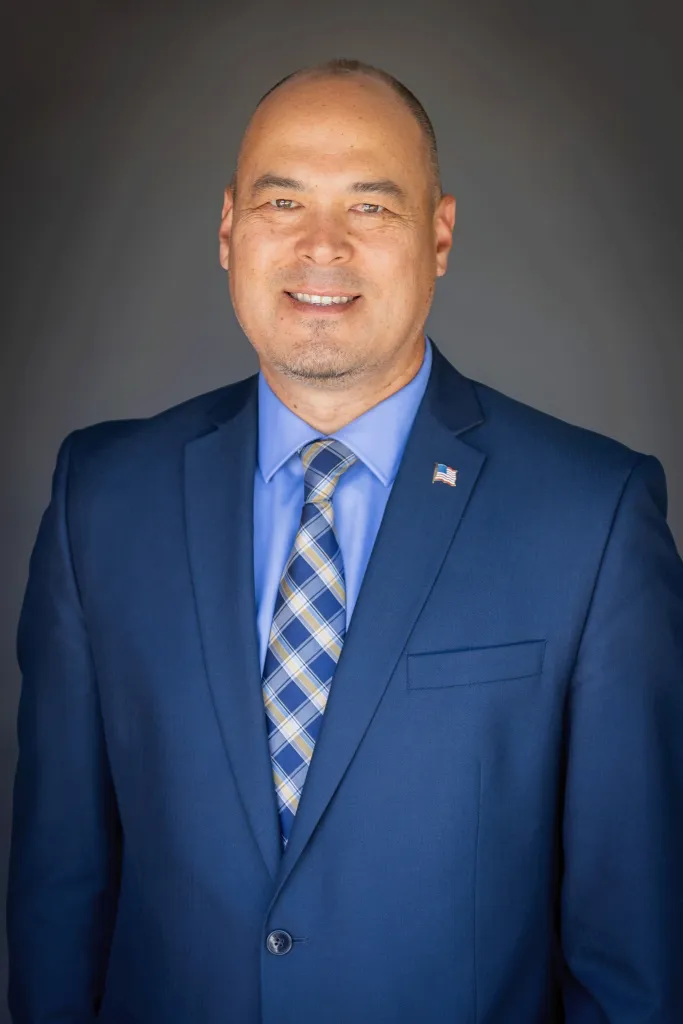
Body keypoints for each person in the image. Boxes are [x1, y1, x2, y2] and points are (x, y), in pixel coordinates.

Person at [7, 57, 683, 1024]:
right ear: (229, 229)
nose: (320, 245)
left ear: (438, 235)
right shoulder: (101, 498)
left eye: (371, 207)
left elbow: (632, 952)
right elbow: (58, 895)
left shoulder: (593, 515)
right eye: (282, 202)